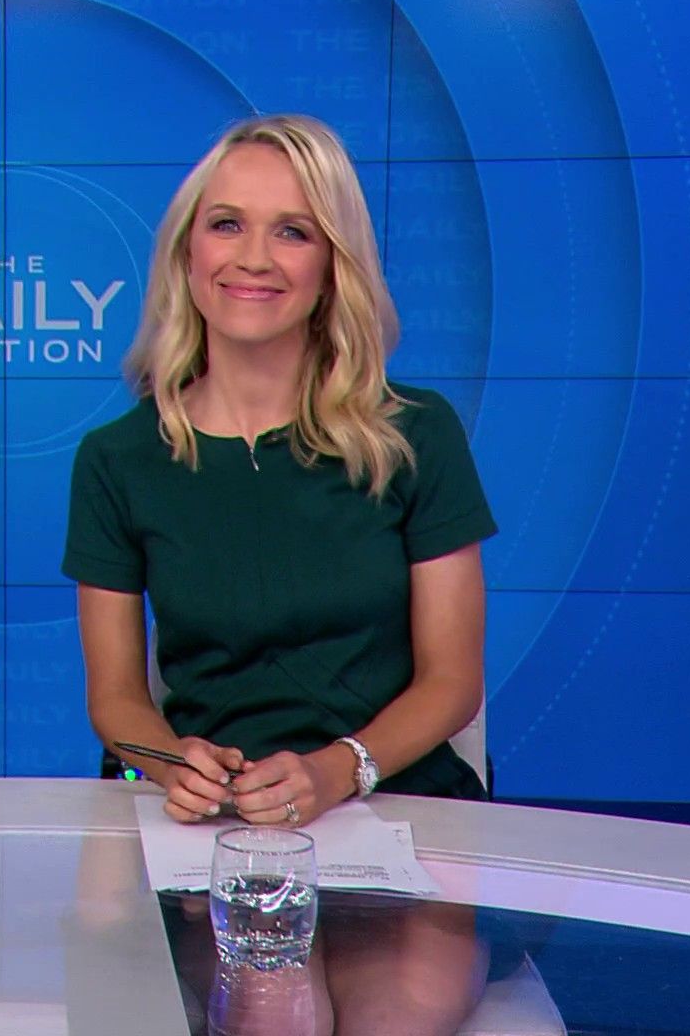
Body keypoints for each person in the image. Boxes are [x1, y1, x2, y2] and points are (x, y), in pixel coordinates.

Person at [63, 114, 495, 1032]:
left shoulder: (417, 436)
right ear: (186, 253)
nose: (253, 258)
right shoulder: (118, 460)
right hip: (218, 829)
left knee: (395, 1019)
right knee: (271, 1012)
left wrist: (341, 770)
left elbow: (453, 680)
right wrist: (166, 763)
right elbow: (117, 699)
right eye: (227, 225)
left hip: (395, 801)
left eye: (292, 231)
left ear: (333, 265)